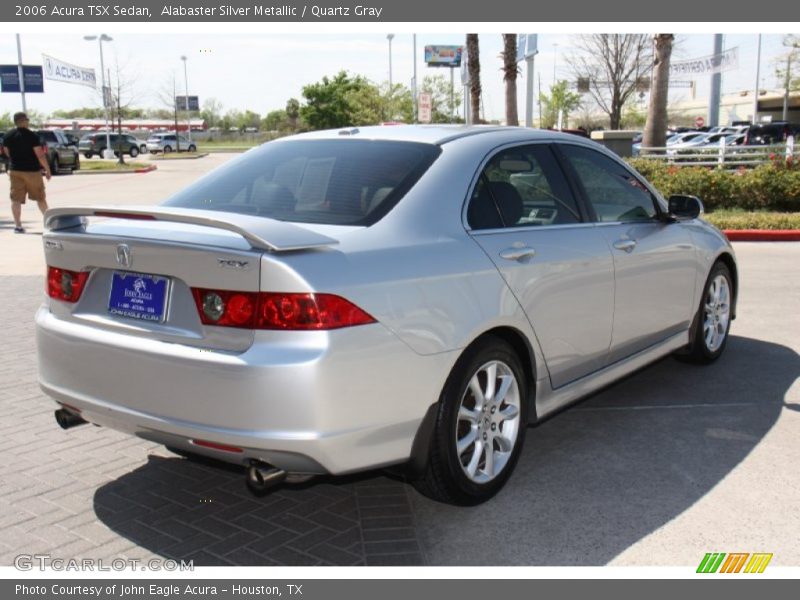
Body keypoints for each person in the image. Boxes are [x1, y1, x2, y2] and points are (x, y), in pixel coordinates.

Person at [3, 112, 51, 233]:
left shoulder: (8, 135)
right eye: (27, 120)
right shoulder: (32, 136)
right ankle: (49, 224)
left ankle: (18, 226)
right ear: (23, 121)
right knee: (40, 198)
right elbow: (40, 154)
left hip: (15, 170)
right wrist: (47, 169)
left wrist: (15, 161)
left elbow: (6, 152)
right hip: (32, 171)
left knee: (15, 199)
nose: (28, 122)